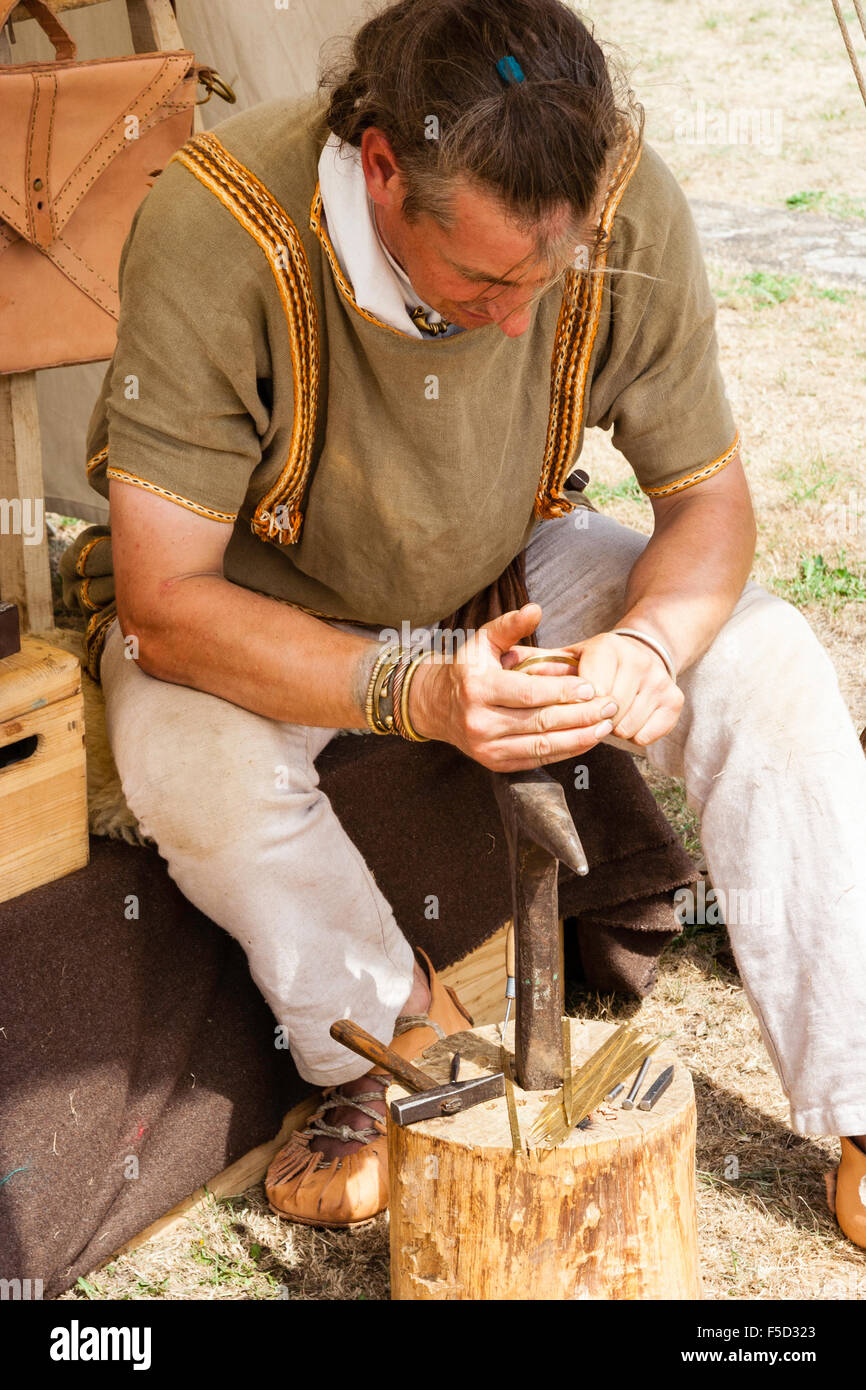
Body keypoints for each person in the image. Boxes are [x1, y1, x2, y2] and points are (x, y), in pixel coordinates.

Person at [62, 0, 866, 1241]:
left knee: (763, 663)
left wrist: (647, 645)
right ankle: (401, 1055)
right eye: (488, 277)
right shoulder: (219, 227)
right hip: (262, 604)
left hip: (506, 559)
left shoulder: (605, 191)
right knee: (185, 761)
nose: (517, 314)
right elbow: (165, 604)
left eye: (553, 275)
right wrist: (416, 685)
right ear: (381, 168)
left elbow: (707, 508)